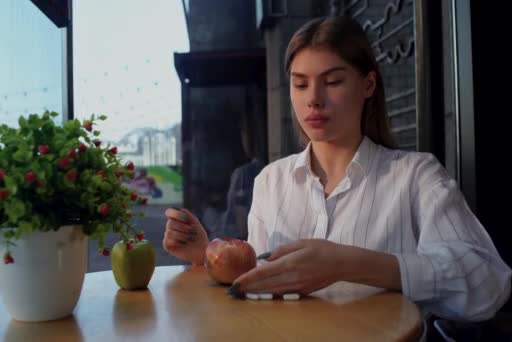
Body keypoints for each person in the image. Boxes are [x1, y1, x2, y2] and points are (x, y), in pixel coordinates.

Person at [162, 15, 511, 323]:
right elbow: (259, 276)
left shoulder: (415, 176)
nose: (313, 98)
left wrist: (348, 263)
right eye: (300, 84)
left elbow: (487, 284)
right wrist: (208, 255)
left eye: (332, 82)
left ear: (368, 85)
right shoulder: (272, 180)